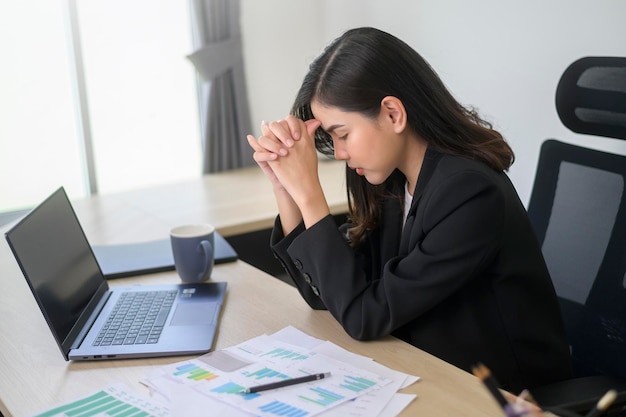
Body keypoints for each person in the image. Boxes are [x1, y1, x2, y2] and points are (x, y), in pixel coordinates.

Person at [246, 27, 572, 393]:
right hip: (432, 374)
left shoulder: (470, 193)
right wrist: (286, 188)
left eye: (343, 134)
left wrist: (310, 195)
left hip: (504, 396)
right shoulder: (391, 181)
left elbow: (364, 316)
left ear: (392, 114)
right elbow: (327, 294)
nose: (338, 152)